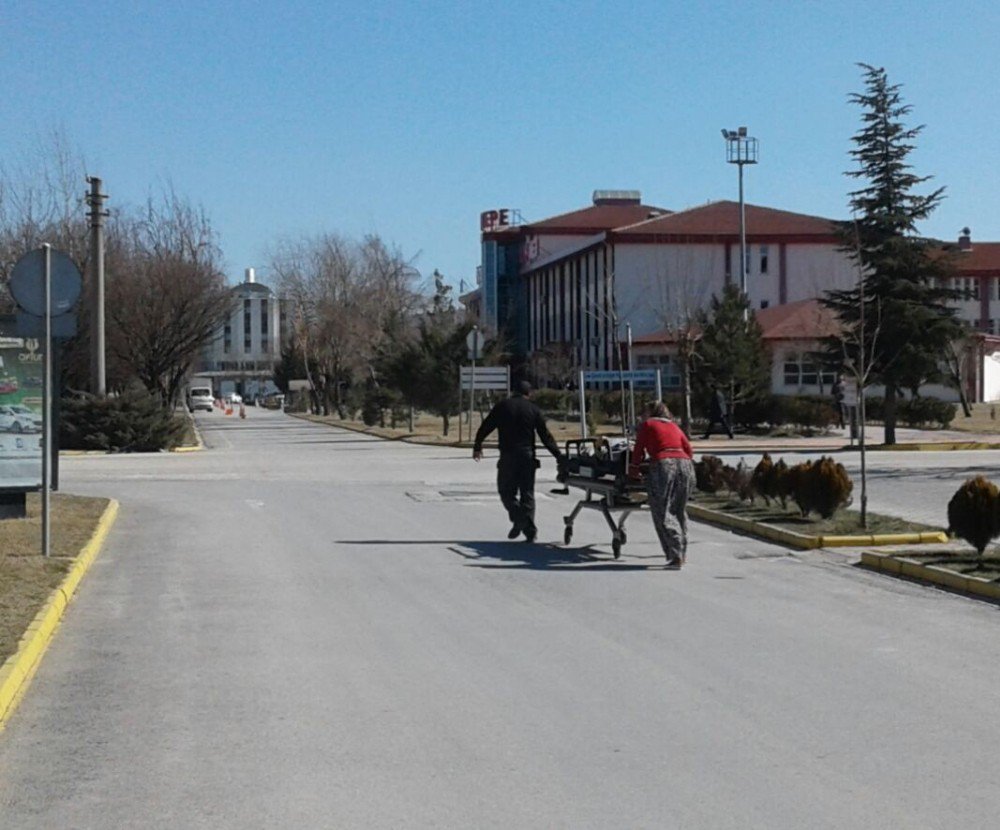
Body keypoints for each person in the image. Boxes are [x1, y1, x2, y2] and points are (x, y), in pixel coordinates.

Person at [473, 380, 563, 542]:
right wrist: (559, 456)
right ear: (528, 394)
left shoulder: (503, 406)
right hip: (527, 457)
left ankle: (518, 518)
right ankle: (529, 531)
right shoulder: (533, 410)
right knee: (527, 494)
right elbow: (545, 436)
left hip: (508, 456)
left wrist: (477, 445)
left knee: (506, 491)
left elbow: (486, 426)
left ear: (513, 392)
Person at [629, 400, 695, 569]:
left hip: (663, 465)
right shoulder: (674, 426)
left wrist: (634, 469)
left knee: (662, 510)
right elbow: (688, 449)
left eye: (644, 412)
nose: (642, 416)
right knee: (679, 509)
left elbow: (638, 448)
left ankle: (675, 555)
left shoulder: (648, 425)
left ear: (651, 413)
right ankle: (682, 552)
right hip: (685, 465)